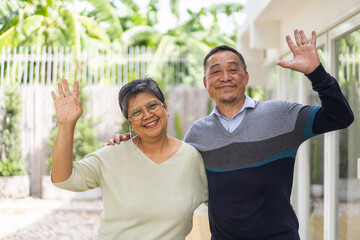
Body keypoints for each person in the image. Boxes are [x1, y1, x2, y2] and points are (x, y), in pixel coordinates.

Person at [106, 29, 354, 239]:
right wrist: (132, 144)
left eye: (233, 70)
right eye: (215, 71)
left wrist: (316, 73)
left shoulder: (281, 115)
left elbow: (340, 116)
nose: (225, 77)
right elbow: (172, 175)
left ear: (246, 77)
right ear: (205, 83)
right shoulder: (197, 134)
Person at [50, 78, 208, 240]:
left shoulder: (191, 158)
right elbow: (63, 179)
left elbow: (223, 201)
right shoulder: (112, 155)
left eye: (152, 106)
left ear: (165, 107)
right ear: (129, 122)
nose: (147, 115)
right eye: (136, 112)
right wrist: (66, 125)